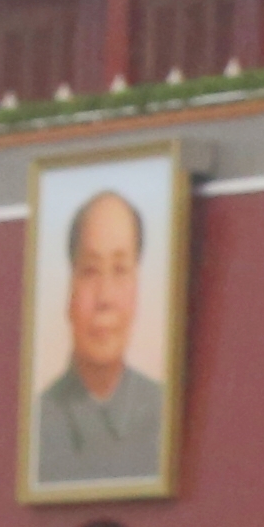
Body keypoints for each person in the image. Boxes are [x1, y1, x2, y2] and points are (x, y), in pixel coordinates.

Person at [35, 185, 165, 488]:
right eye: (90, 271)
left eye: (120, 270)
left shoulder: (164, 413)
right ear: (69, 291)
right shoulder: (38, 423)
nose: (105, 297)